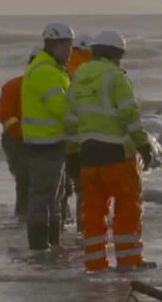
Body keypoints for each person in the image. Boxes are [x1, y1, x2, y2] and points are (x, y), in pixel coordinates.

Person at [65, 30, 157, 272]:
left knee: (93, 212)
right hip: (117, 153)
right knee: (127, 207)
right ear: (118, 54)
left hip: (87, 156)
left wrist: (72, 154)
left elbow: (70, 122)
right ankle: (129, 262)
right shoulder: (116, 78)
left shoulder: (77, 79)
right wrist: (144, 146)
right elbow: (130, 116)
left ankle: (95, 264)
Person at [21, 22, 74, 250]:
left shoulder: (53, 69)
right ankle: (40, 247)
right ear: (52, 45)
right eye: (65, 46)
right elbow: (62, 109)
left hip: (52, 142)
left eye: (70, 46)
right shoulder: (45, 71)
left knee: (55, 197)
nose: (69, 51)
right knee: (43, 198)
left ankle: (52, 243)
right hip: (46, 144)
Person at [0, 45, 41, 221]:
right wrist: (23, 135)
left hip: (29, 140)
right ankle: (24, 218)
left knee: (29, 185)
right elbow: (5, 115)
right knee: (25, 183)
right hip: (19, 142)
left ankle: (26, 217)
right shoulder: (15, 85)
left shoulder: (14, 84)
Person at [62, 34, 92, 233]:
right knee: (85, 190)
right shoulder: (85, 71)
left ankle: (64, 222)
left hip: (62, 140)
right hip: (83, 141)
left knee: (64, 188)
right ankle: (84, 229)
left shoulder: (64, 68)